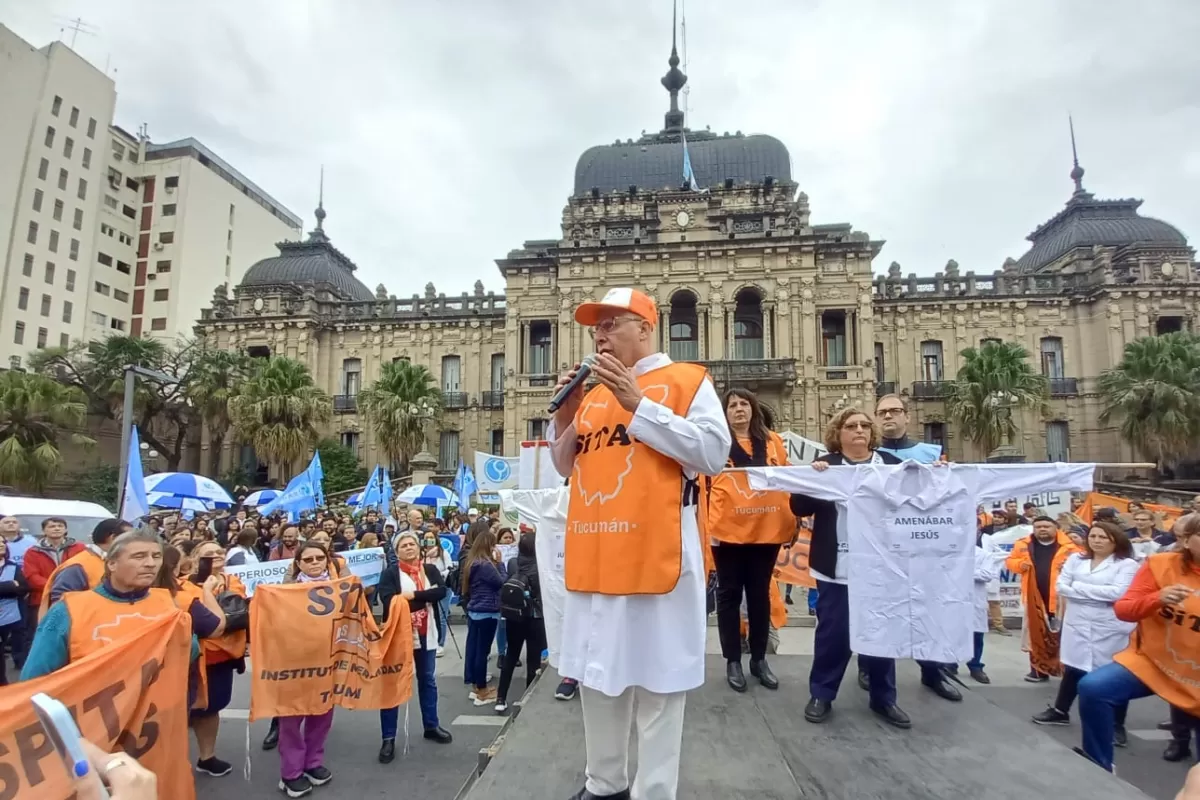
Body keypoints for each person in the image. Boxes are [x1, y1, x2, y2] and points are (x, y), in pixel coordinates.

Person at [549, 287, 729, 800]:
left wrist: (638, 402)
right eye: (596, 327)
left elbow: (713, 453)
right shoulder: (592, 392)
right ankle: (603, 784)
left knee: (659, 683)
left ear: (645, 326)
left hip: (659, 555)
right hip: (597, 552)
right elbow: (568, 465)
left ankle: (653, 793)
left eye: (611, 323)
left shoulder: (686, 380)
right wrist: (566, 415)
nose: (599, 334)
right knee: (597, 678)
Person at [795, 408, 907, 729]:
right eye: (851, 426)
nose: (859, 430)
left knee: (881, 631)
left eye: (864, 426)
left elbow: (918, 495)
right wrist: (810, 481)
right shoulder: (826, 465)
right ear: (838, 433)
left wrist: (941, 471)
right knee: (834, 632)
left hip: (880, 567)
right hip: (836, 566)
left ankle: (884, 698)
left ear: (871, 433)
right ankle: (822, 694)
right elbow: (797, 507)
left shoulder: (891, 465)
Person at [1076, 513, 1200, 772]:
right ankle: (1099, 767)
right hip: (1153, 661)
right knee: (1093, 688)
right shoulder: (1161, 564)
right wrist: (1157, 597)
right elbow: (1124, 609)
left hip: (1195, 675)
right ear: (1186, 541)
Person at [869, 393, 961, 703]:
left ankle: (932, 671)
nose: (888, 417)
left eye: (895, 411)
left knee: (927, 611)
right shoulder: (867, 454)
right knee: (878, 611)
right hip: (882, 546)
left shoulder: (931, 452)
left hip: (922, 546)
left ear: (908, 417)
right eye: (882, 412)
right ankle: (869, 667)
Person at [706, 387, 795, 693]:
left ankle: (759, 660)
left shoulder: (774, 441)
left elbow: (786, 477)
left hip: (766, 529)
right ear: (724, 412)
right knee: (729, 596)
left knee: (759, 596)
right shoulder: (715, 443)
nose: (739, 409)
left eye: (745, 404)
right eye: (732, 405)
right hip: (727, 531)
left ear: (754, 409)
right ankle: (732, 661)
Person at [21, 531, 196, 680]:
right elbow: (35, 678)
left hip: (154, 715)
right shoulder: (68, 610)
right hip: (91, 715)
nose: (150, 563)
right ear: (111, 564)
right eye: (139, 556)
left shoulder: (167, 602)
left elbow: (189, 652)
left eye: (156, 556)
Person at [1031, 522, 1138, 744]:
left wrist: (1077, 589)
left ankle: (1117, 725)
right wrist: (1090, 592)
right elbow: (1060, 586)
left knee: (1112, 674)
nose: (1096, 541)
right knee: (1074, 667)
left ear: (1115, 541)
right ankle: (1061, 711)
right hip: (1077, 622)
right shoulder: (1076, 559)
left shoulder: (1126, 564)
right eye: (1093, 536)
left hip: (1109, 625)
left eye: (1103, 537)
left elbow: (1117, 593)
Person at [375, 530, 452, 763]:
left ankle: (431, 725)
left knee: (427, 679)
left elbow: (440, 591)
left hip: (426, 634)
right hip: (400, 636)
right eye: (403, 545)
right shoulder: (391, 573)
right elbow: (389, 601)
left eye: (412, 544)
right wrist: (420, 598)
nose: (409, 547)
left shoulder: (429, 569)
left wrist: (412, 595)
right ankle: (388, 738)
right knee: (394, 684)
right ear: (397, 551)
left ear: (418, 547)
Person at [277, 541, 337, 797]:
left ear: (327, 560)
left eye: (319, 558)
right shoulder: (284, 591)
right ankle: (290, 773)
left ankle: (313, 762)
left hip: (327, 661)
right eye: (308, 559)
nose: (314, 563)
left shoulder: (339, 589)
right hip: (293, 664)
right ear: (298, 564)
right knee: (291, 718)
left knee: (322, 714)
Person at [186, 540, 247, 777]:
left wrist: (207, 597)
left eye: (219, 552)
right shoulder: (182, 584)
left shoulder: (234, 582)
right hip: (190, 659)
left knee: (212, 708)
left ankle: (207, 756)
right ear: (194, 559)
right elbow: (201, 622)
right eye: (208, 554)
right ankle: (174, 760)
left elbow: (232, 618)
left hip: (222, 657)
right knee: (183, 711)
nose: (215, 556)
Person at [1006, 516, 1079, 682]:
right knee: (1035, 634)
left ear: (1056, 528)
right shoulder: (1023, 544)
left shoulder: (1070, 547)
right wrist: (1019, 565)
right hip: (1034, 596)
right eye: (1038, 527)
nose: (1042, 529)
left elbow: (1081, 566)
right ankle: (1038, 671)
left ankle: (1065, 670)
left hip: (1061, 598)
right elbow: (1010, 561)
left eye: (1046, 526)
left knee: (1063, 635)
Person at [496, 531, 547, 712]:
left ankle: (501, 698)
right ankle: (527, 697)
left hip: (514, 615)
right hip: (535, 616)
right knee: (533, 659)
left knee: (511, 655)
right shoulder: (542, 567)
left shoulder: (513, 563)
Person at [40, 519, 129, 616]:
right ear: (113, 537)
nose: (134, 541)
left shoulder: (116, 562)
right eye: (130, 538)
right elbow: (61, 607)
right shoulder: (77, 566)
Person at [461, 529, 505, 706]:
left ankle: (476, 685)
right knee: (482, 652)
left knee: (474, 649)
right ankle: (481, 690)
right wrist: (500, 563)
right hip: (487, 611)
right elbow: (501, 581)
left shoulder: (472, 562)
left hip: (475, 610)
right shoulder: (486, 565)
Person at [0, 538, 29, 684]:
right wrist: (10, 585)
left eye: (3, 542)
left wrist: (13, 587)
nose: (1, 545)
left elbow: (23, 588)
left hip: (11, 615)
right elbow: (14, 587)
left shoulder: (13, 567)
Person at [424, 535, 454, 655]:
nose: (429, 541)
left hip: (443, 587)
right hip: (427, 588)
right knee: (431, 615)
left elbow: (449, 568)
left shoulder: (443, 553)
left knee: (442, 617)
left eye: (431, 538)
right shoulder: (422, 554)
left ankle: (440, 644)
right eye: (426, 538)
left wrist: (439, 575)